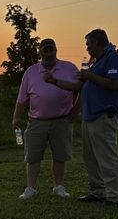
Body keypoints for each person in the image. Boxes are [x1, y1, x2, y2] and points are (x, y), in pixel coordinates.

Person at [45, 29, 118, 205]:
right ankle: (98, 191)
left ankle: (114, 196)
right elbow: (77, 86)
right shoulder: (95, 61)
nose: (87, 48)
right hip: (89, 116)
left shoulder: (114, 58)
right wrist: (54, 81)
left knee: (107, 156)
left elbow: (115, 84)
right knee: (90, 157)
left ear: (97, 42)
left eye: (88, 44)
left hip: (104, 114)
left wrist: (90, 75)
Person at [13, 38, 80, 200]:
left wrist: (76, 111)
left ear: (56, 50)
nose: (48, 54)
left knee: (60, 155)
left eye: (51, 50)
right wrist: (16, 117)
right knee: (33, 156)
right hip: (37, 121)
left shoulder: (69, 68)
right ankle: (31, 188)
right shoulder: (31, 72)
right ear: (40, 52)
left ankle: (59, 186)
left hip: (62, 120)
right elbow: (22, 98)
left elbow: (80, 90)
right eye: (45, 50)